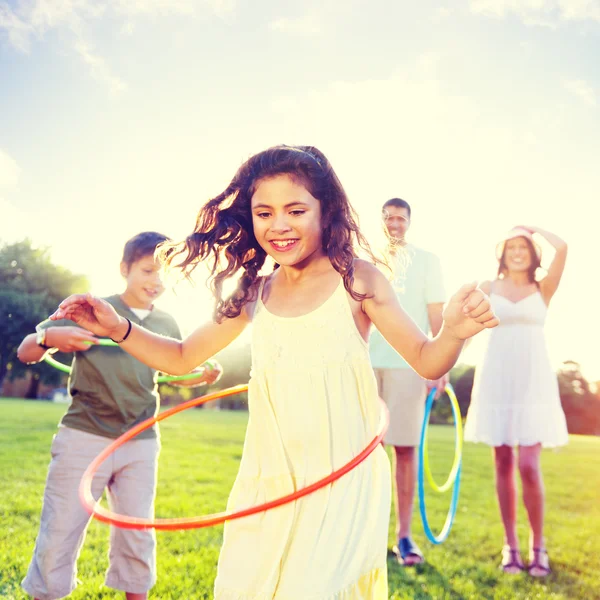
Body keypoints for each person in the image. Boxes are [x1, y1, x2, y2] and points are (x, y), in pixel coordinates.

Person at [50, 145, 499, 599]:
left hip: (340, 478)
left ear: (327, 212)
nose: (278, 225)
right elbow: (183, 355)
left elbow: (426, 358)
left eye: (295, 210)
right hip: (267, 479)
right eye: (263, 213)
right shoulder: (254, 293)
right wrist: (118, 327)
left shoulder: (358, 280)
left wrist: (454, 332)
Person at [17, 231, 222, 600]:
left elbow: (172, 371)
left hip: (140, 440)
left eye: (165, 273)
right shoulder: (94, 309)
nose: (156, 281)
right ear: (125, 269)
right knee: (61, 531)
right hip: (85, 435)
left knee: (136, 533)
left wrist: (200, 376)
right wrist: (52, 339)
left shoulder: (167, 324)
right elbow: (26, 351)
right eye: (147, 270)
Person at [464, 225, 568, 578]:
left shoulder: (543, 288)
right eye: (511, 246)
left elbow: (563, 247)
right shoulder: (487, 288)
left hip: (534, 381)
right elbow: (463, 327)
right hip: (497, 377)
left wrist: (534, 229)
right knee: (503, 460)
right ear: (502, 253)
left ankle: (539, 546)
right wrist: (441, 366)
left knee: (528, 464)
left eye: (524, 246)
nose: (518, 251)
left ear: (533, 251)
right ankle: (512, 546)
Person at [369, 197, 448, 566]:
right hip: (364, 365)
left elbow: (437, 316)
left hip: (409, 365)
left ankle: (403, 537)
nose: (394, 223)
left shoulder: (428, 261)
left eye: (399, 218)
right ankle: (367, 536)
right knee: (365, 453)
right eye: (388, 218)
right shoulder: (365, 258)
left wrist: (439, 364)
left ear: (409, 222)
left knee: (404, 449)